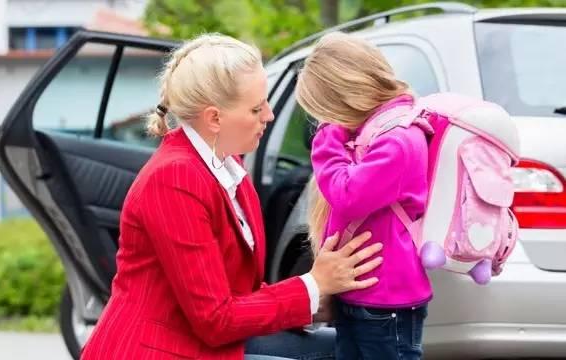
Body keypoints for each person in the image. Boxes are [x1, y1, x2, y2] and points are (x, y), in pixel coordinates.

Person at [80, 33, 384, 360]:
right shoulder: (174, 179)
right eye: (256, 108)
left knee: (348, 348)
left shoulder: (227, 164)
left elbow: (239, 295)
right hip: (162, 350)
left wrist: (318, 304)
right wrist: (312, 285)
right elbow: (215, 318)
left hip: (203, 341)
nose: (268, 115)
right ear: (214, 118)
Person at [296, 32, 433, 360]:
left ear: (343, 98)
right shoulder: (372, 135)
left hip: (386, 303)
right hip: (362, 295)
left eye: (324, 111)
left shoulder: (398, 141)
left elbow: (348, 196)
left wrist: (327, 137)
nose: (323, 121)